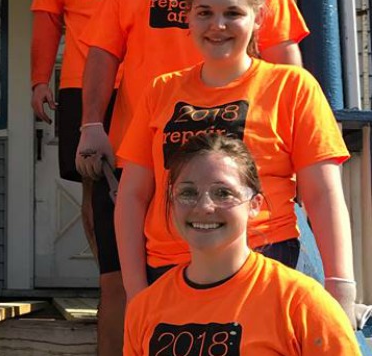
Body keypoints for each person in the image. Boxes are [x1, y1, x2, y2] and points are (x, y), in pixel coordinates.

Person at [76, 0, 309, 342]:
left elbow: (287, 62)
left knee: (247, 292)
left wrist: (301, 152)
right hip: (149, 156)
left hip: (244, 164)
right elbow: (101, 54)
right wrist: (91, 125)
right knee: (121, 285)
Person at [117, 0, 356, 326]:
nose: (218, 25)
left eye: (233, 13)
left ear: (258, 18)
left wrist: (340, 288)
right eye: (204, 13)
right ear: (188, 19)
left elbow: (322, 193)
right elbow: (132, 195)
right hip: (169, 267)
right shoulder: (160, 90)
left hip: (264, 261)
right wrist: (136, 292)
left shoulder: (292, 87)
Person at [29, 0, 168, 353]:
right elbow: (47, 21)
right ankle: (110, 270)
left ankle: (155, 259)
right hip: (81, 87)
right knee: (93, 182)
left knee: (152, 172)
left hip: (146, 78)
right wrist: (37, 80)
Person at [123, 133, 360, 355]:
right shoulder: (144, 308)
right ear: (171, 201)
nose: (204, 207)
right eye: (188, 193)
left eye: (223, 193)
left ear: (255, 204)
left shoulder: (301, 303)